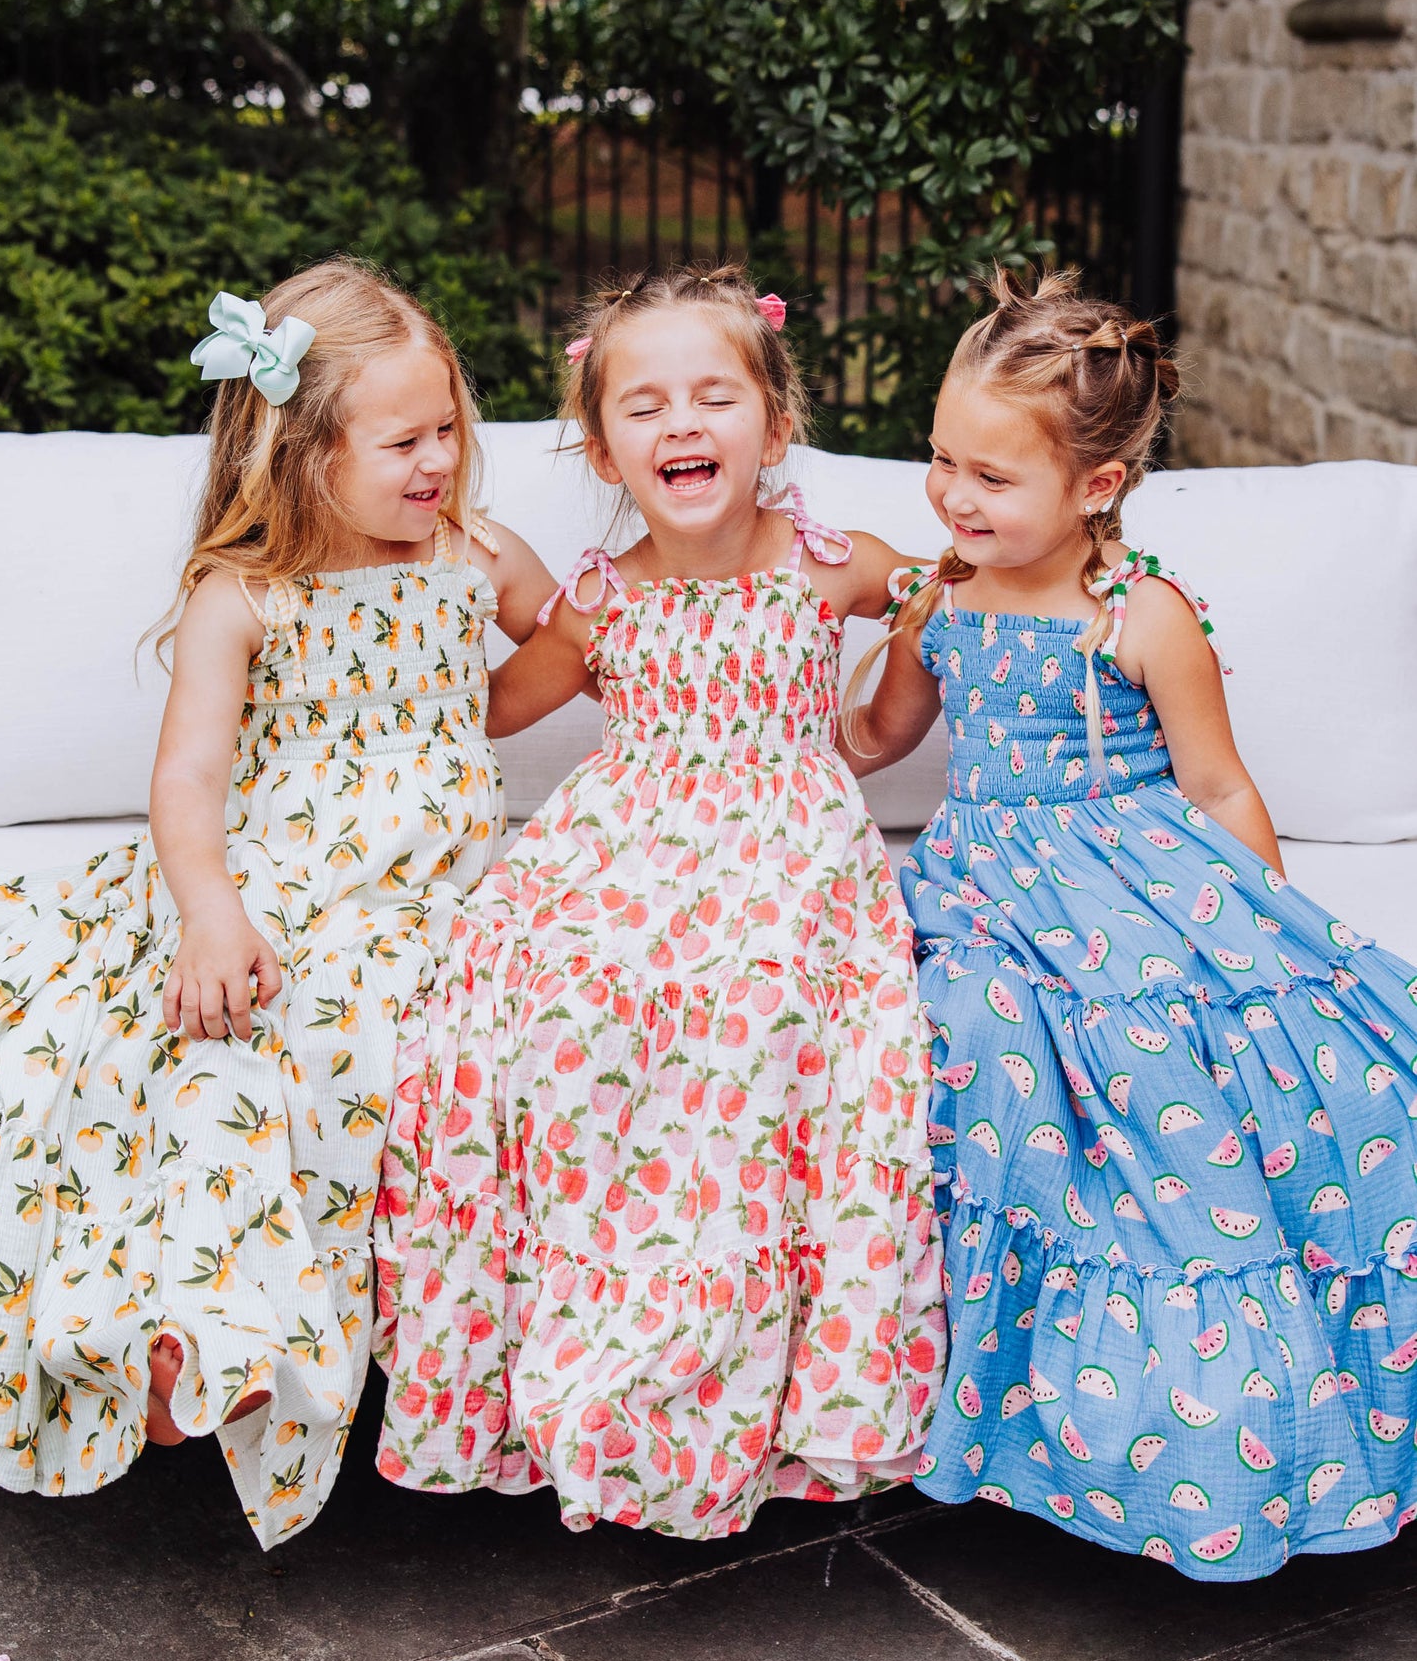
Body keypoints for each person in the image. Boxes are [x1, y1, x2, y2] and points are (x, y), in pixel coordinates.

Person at [840, 266, 1417, 1580]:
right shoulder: (941, 599)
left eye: (990, 476)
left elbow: (1215, 782)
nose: (951, 495)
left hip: (1144, 868)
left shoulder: (1140, 612)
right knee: (971, 1041)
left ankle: (1234, 1397)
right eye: (940, 460)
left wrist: (1266, 940)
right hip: (986, 881)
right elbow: (878, 736)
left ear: (1094, 486)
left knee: (1218, 1062)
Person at [0, 261, 552, 1546]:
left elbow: (545, 662)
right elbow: (183, 781)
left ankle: (240, 1339)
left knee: (357, 1041)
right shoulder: (243, 590)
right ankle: (184, 1339)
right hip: (273, 881)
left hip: (430, 901)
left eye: (450, 427)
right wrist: (211, 911)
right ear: (301, 452)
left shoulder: (479, 557)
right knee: (202, 1050)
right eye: (404, 439)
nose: (439, 461)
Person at [373, 264, 946, 1535]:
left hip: (787, 856)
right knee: (529, 1005)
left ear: (773, 424)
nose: (680, 425)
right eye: (643, 406)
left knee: (758, 1018)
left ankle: (740, 1382)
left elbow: (945, 595)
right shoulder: (597, 599)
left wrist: (872, 716)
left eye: (712, 397)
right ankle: (592, 1372)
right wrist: (395, 596)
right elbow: (472, 714)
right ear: (600, 446)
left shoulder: (825, 564)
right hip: (621, 846)